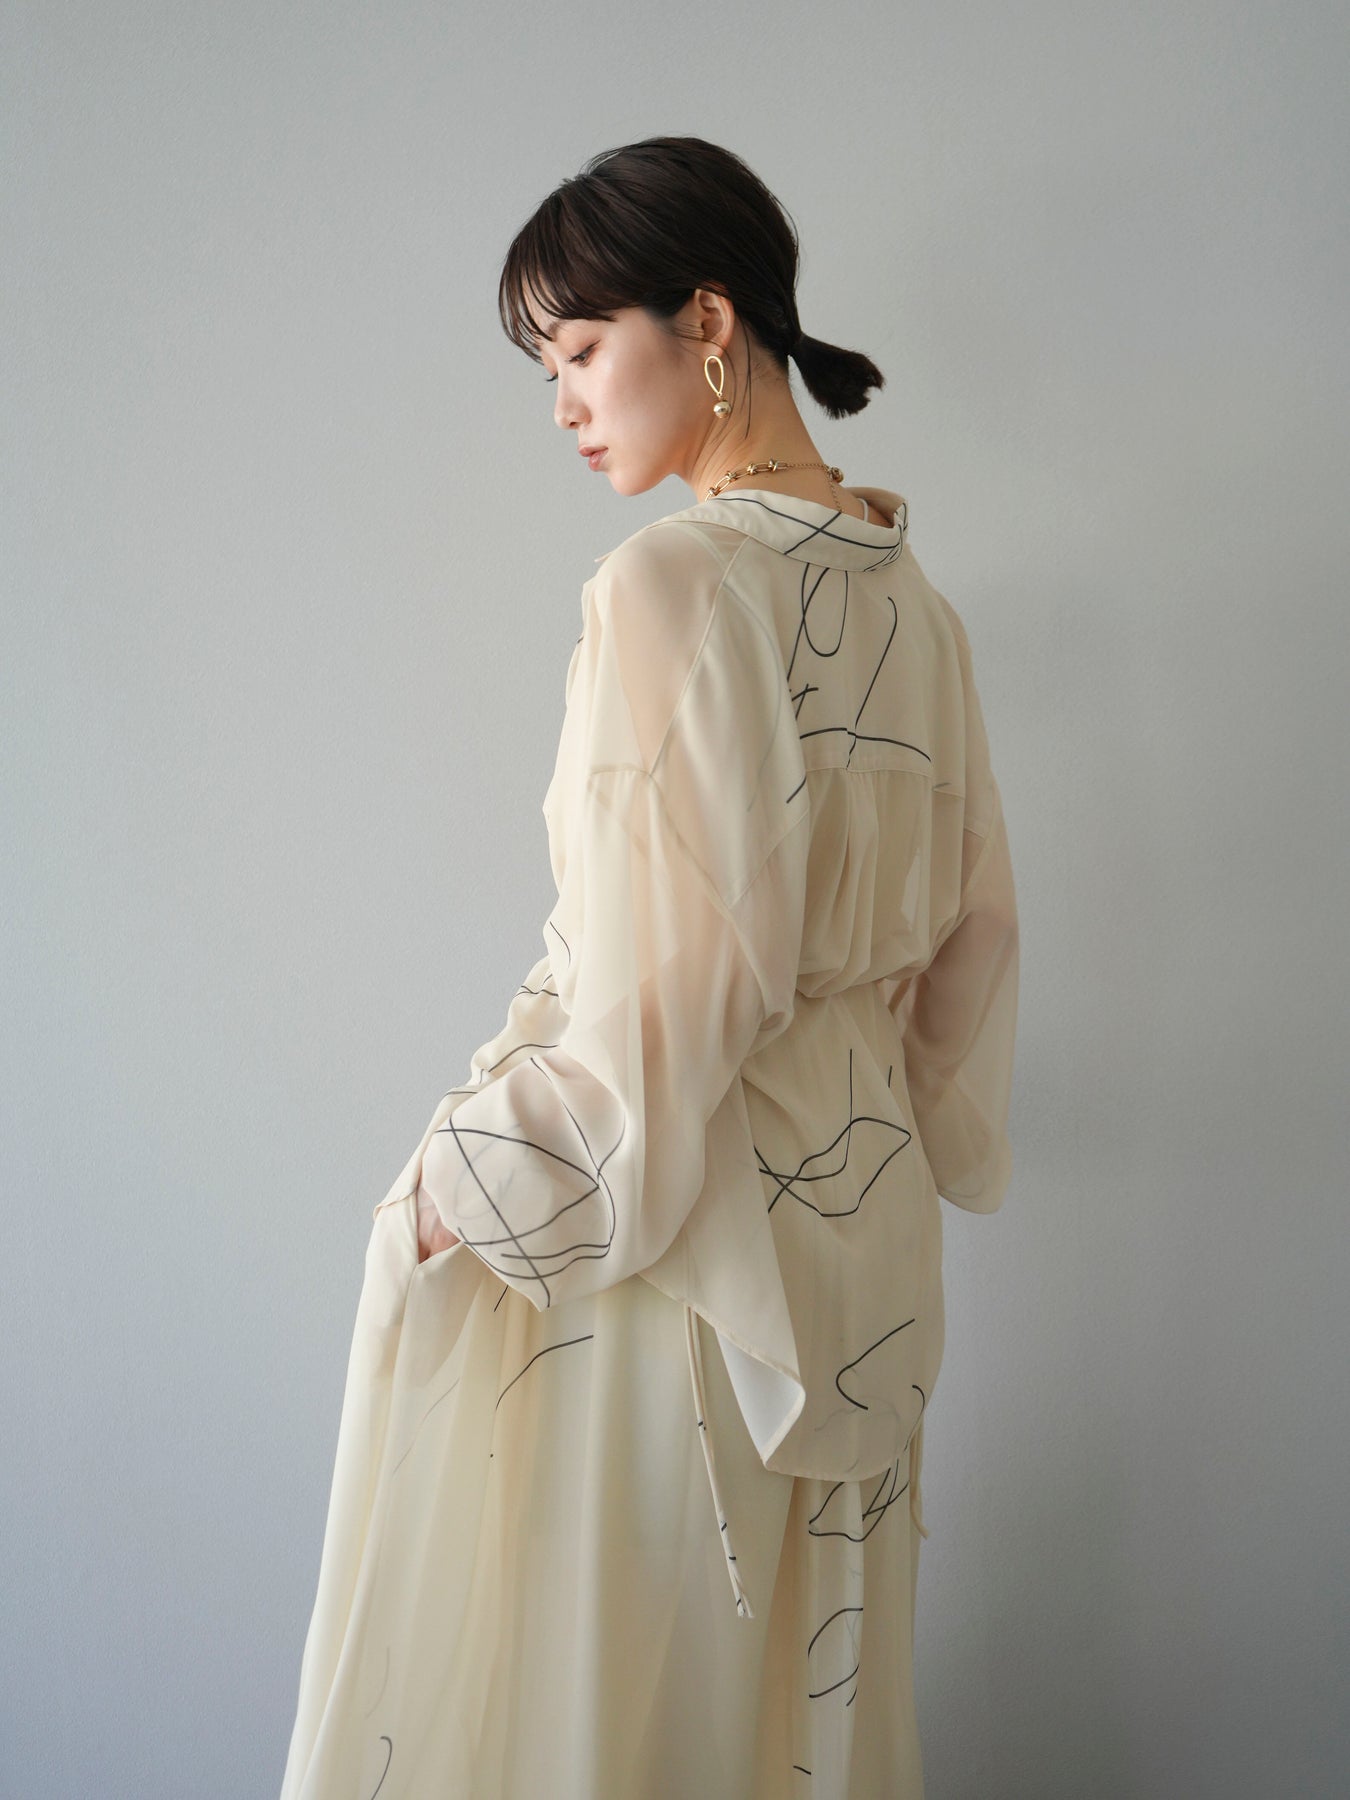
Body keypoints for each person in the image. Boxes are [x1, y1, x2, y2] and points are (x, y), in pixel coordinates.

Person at [278, 135, 1019, 1800]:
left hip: (685, 1242)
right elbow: (974, 938)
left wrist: (460, 1188)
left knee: (623, 1714)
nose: (560, 403)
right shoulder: (917, 603)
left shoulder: (671, 580)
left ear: (707, 320)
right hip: (867, 1250)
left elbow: (677, 996)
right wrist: (882, 1126)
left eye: (578, 349)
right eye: (544, 368)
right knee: (797, 1710)